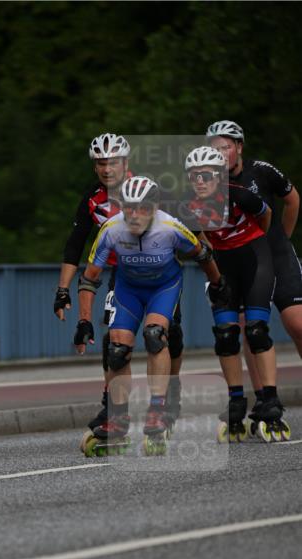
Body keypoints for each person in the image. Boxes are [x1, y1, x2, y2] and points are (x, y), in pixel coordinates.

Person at [75, 176, 228, 456]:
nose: (134, 214)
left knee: (155, 335)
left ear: (155, 206)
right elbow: (89, 278)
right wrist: (84, 321)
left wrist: (217, 285)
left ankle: (157, 409)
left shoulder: (170, 227)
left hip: (164, 287)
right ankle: (118, 418)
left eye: (142, 208)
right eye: (129, 207)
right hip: (128, 289)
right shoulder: (111, 228)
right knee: (117, 348)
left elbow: (203, 254)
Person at [53, 133, 185, 432]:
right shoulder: (92, 198)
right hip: (120, 275)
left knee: (165, 336)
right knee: (115, 344)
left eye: (112, 162)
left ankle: (169, 395)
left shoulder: (150, 190)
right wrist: (63, 290)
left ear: (125, 163)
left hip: (160, 274)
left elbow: (184, 230)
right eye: (100, 163)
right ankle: (114, 409)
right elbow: (75, 245)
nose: (106, 169)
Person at [180, 145, 289, 441]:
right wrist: (215, 276)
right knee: (225, 335)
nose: (199, 181)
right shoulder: (189, 206)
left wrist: (252, 243)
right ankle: (236, 400)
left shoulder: (241, 194)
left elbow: (266, 220)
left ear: (218, 175)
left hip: (255, 257)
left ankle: (269, 399)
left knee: (255, 331)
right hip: (223, 263)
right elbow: (201, 242)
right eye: (194, 176)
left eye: (205, 175)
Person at [206, 120, 302, 426]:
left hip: (274, 252)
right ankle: (264, 399)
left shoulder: (262, 170)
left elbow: (292, 200)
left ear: (239, 147)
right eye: (215, 149)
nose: (221, 154)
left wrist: (281, 239)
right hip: (241, 260)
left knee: (297, 323)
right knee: (249, 327)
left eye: (226, 147)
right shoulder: (206, 183)